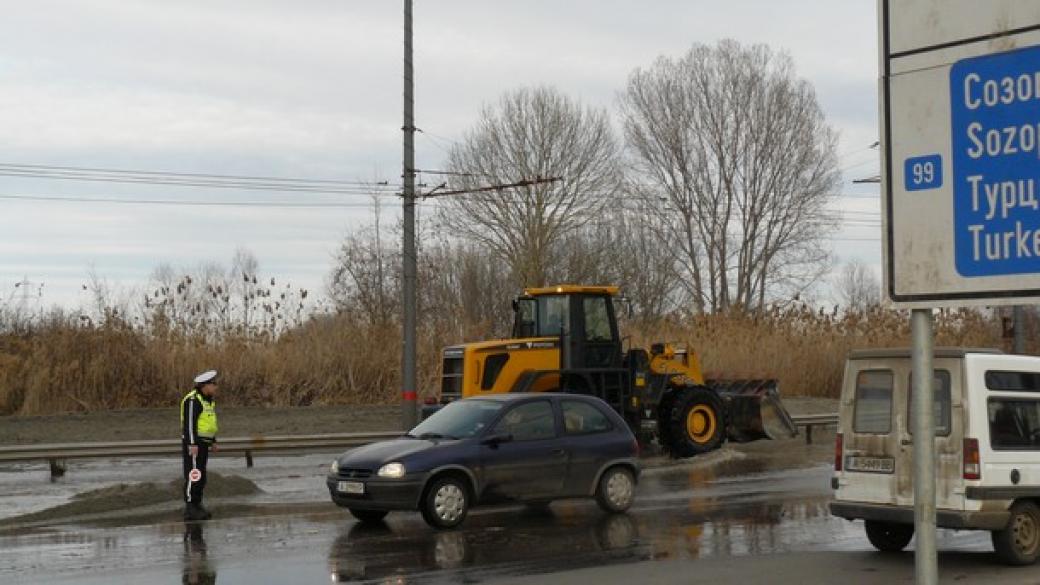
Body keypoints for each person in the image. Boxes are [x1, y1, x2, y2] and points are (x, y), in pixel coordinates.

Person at [181, 370, 219, 521]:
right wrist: (192, 443)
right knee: (194, 474)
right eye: (213, 384)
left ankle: (197, 504)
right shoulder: (193, 400)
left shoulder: (208, 400)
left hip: (203, 443)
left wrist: (213, 441)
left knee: (201, 476)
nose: (216, 386)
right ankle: (190, 506)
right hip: (194, 444)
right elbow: (189, 424)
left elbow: (209, 423)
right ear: (204, 385)